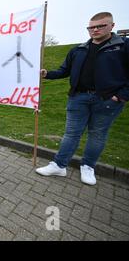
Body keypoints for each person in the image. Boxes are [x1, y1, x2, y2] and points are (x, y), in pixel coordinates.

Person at [36, 12, 128, 185]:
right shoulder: (78, 49)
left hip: (107, 100)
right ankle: (59, 165)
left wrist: (121, 96)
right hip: (78, 97)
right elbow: (64, 71)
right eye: (91, 27)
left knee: (97, 134)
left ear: (112, 26)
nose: (95, 30)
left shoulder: (123, 46)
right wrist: (47, 74)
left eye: (100, 26)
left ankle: (88, 166)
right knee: (71, 133)